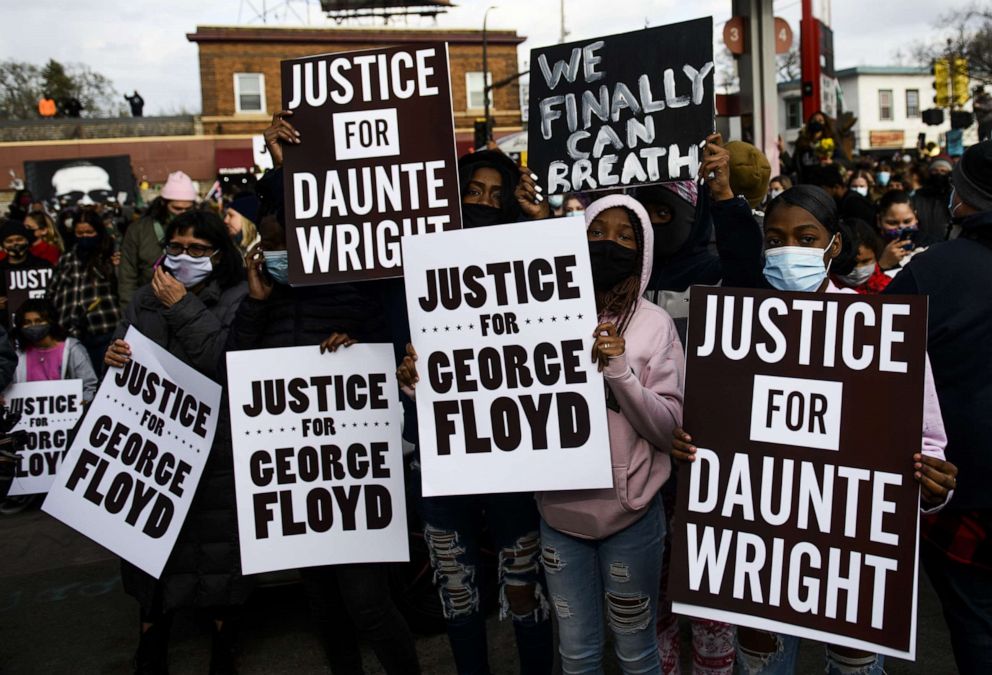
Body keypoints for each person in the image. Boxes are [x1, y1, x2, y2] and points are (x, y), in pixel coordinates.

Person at [672, 184, 957, 675]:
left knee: (855, 663)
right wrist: (688, 444)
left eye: (806, 238)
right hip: (757, 550)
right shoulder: (731, 324)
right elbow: (710, 423)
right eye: (776, 239)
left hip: (847, 557)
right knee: (761, 660)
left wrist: (931, 486)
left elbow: (926, 443)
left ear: (833, 245)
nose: (790, 251)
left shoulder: (880, 327)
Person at [228, 213, 420, 675]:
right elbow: (231, 365)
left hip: (350, 471)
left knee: (368, 603)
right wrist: (256, 303)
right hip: (295, 476)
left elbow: (389, 357)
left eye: (285, 240)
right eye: (269, 242)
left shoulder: (349, 291)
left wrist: (358, 345)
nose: (277, 251)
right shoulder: (253, 299)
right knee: (324, 608)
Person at [535, 194, 683, 674]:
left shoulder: (655, 324)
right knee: (576, 655)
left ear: (643, 252)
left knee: (637, 652)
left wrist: (619, 371)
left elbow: (669, 429)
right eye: (597, 233)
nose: (609, 245)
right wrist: (420, 386)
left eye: (625, 237)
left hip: (631, 515)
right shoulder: (539, 312)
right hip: (558, 514)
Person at [103, 209, 248, 674]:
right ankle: (152, 635)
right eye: (177, 248)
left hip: (215, 444)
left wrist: (183, 305)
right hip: (154, 441)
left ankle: (224, 641)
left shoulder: (239, 298)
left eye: (199, 249)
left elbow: (223, 363)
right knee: (150, 542)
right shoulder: (145, 299)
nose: (185, 257)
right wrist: (113, 353)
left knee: (218, 547)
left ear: (219, 254)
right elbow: (126, 344)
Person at [884, 140, 992, 674]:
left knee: (976, 626)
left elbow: (863, 352)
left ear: (963, 201)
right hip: (959, 490)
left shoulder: (937, 269)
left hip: (961, 491)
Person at [47, 211, 120, 373]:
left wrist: (116, 267)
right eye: (79, 233)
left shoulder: (108, 256)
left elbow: (121, 286)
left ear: (98, 232)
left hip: (103, 327)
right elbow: (53, 289)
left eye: (89, 232)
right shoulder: (67, 258)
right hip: (71, 330)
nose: (84, 236)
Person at [119, 172, 197, 309]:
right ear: (163, 203)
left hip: (190, 305)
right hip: (148, 307)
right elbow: (127, 276)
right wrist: (129, 312)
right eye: (177, 208)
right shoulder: (139, 230)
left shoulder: (202, 229)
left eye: (188, 209)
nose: (183, 213)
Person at [10, 298, 97, 400]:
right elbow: (11, 390)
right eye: (27, 322)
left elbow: (90, 387)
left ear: (50, 321)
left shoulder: (72, 350)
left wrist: (81, 407)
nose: (33, 326)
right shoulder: (19, 355)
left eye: (38, 321)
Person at [0, 219, 54, 327]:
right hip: (8, 327)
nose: (15, 244)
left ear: (27, 240)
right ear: (2, 244)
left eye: (19, 239)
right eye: (9, 241)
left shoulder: (43, 266)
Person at [829, 218, 890, 294]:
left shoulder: (889, 288)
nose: (858, 269)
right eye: (851, 262)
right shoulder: (821, 288)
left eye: (865, 261)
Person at [804, 164, 876, 225]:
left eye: (823, 189)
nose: (822, 193)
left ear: (836, 187)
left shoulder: (854, 203)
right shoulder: (841, 201)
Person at [875, 190, 924, 277]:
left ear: (916, 217)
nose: (901, 227)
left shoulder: (930, 245)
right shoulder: (870, 250)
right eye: (892, 223)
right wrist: (882, 264)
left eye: (907, 221)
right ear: (879, 221)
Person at [913, 156, 954, 244]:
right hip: (922, 243)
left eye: (943, 171)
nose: (939, 174)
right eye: (935, 171)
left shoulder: (954, 196)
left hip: (947, 243)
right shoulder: (919, 195)